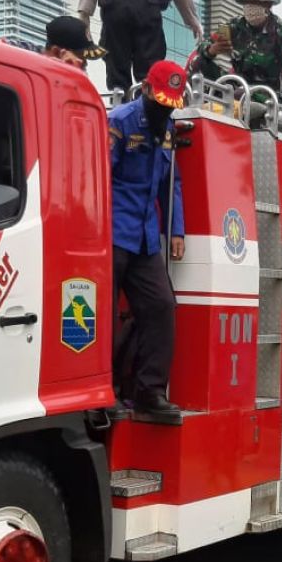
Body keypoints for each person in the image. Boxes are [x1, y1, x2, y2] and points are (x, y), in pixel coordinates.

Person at [107, 60, 187, 416]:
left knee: (161, 306)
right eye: (160, 102)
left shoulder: (167, 128)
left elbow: (173, 184)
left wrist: (177, 230)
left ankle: (148, 391)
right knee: (102, 314)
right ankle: (99, 391)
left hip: (146, 237)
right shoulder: (120, 122)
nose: (164, 110)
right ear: (145, 91)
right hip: (111, 231)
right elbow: (98, 175)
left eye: (171, 104)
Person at [186, 0, 282, 122]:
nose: (250, 8)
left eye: (255, 3)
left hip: (265, 93)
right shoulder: (233, 25)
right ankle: (188, 104)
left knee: (241, 94)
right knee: (199, 61)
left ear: (268, 5)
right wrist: (211, 50)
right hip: (234, 83)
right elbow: (204, 44)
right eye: (247, 3)